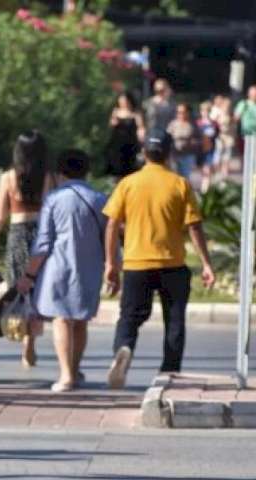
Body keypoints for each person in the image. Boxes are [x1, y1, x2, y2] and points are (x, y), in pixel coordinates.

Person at [103, 133, 216, 389]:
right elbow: (194, 226)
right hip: (172, 265)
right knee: (174, 320)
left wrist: (111, 263)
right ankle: (170, 371)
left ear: (144, 153)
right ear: (169, 153)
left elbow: (111, 224)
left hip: (136, 264)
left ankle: (123, 349)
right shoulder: (179, 184)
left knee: (129, 317)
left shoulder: (128, 184)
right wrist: (206, 263)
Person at [16, 150, 107, 392]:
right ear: (86, 171)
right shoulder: (99, 199)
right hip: (90, 268)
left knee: (62, 320)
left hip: (59, 269)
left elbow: (44, 242)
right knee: (81, 321)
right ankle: (75, 370)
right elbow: (108, 240)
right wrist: (113, 269)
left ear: (59, 173)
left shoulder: (54, 199)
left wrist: (29, 275)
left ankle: (66, 376)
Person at [0, 131, 54, 368]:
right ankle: (30, 341)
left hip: (17, 234)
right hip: (41, 233)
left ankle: (24, 334)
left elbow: (0, 215)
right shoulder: (49, 178)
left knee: (19, 288)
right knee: (37, 290)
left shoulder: (8, 177)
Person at [105, 92, 145, 178]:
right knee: (118, 167)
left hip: (131, 143)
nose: (123, 103)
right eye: (121, 101)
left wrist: (141, 135)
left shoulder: (135, 113)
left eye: (125, 101)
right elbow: (111, 124)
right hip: (118, 144)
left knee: (130, 167)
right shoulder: (116, 112)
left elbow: (140, 127)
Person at [166, 103, 199, 179]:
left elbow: (198, 139)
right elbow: (167, 138)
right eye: (178, 112)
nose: (180, 114)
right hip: (174, 155)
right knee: (174, 177)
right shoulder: (173, 124)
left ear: (188, 112)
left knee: (185, 178)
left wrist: (191, 142)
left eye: (182, 112)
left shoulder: (193, 124)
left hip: (187, 155)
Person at [196, 101, 219, 192]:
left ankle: (204, 192)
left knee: (207, 172)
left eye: (207, 111)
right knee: (203, 172)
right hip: (200, 151)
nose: (205, 113)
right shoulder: (198, 123)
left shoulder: (214, 124)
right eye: (203, 111)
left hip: (210, 150)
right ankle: (207, 188)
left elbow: (217, 134)